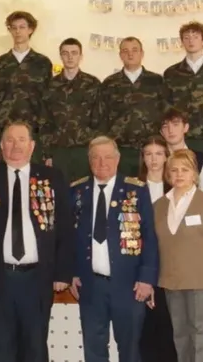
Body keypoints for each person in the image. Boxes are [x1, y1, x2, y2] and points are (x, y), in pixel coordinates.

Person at [0, 121, 73, 362]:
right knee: (1, 348)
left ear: (32, 146)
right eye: (9, 140)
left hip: (37, 278)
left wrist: (63, 273)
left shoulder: (51, 178)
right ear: (1, 146)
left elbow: (64, 228)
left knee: (35, 348)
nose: (15, 145)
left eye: (21, 140)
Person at [70, 136, 159, 362]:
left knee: (130, 350)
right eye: (96, 157)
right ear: (89, 160)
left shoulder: (136, 190)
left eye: (108, 157)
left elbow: (149, 236)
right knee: (94, 350)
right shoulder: (77, 191)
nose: (102, 163)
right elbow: (70, 236)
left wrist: (146, 278)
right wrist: (72, 272)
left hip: (129, 285)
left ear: (118, 159)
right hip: (91, 285)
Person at [153, 149, 203, 362]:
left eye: (185, 169)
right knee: (180, 337)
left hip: (202, 283)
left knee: (201, 338)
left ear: (194, 174)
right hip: (171, 283)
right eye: (174, 170)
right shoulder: (158, 206)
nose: (179, 174)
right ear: (167, 174)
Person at [137, 136, 177, 362]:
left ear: (166, 157)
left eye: (159, 154)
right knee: (146, 331)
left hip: (171, 266)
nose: (153, 159)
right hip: (142, 266)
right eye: (148, 154)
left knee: (169, 329)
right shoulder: (133, 187)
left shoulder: (176, 188)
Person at [42, 37, 102, 180]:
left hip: (85, 149)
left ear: (81, 56)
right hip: (58, 150)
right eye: (65, 53)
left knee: (84, 190)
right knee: (59, 189)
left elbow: (100, 119)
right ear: (60, 56)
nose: (70, 57)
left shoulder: (93, 84)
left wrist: (97, 150)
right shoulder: (51, 85)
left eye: (74, 53)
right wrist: (47, 154)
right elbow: (44, 121)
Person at [0, 11, 53, 141]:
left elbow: (48, 99)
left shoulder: (42, 63)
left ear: (30, 29)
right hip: (5, 129)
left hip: (35, 130)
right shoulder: (0, 63)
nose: (17, 31)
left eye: (22, 27)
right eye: (14, 27)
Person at [97, 37, 168, 153]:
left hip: (151, 149)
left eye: (134, 50)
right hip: (118, 148)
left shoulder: (157, 81)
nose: (130, 54)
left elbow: (166, 113)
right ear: (120, 55)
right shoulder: (109, 83)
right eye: (125, 51)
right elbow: (102, 118)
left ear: (142, 53)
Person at [161, 107, 203, 196]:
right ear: (161, 132)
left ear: (185, 127)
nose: (170, 130)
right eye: (165, 126)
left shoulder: (200, 159)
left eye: (175, 124)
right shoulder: (157, 159)